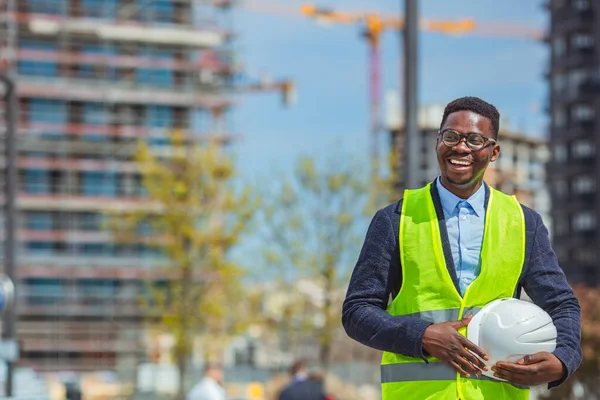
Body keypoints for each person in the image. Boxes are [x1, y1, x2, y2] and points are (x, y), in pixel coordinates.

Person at [342, 96, 582, 400]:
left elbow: (562, 303)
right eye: (451, 136)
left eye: (475, 139)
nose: (460, 147)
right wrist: (423, 336)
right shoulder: (394, 220)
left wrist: (564, 360)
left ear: (493, 152)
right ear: (438, 141)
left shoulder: (524, 223)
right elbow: (357, 312)